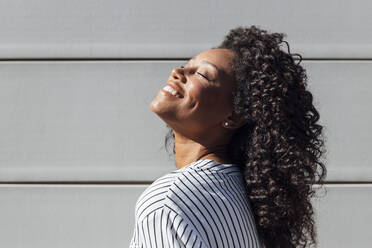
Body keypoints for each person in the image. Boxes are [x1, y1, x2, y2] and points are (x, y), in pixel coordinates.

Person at [129, 25, 327, 248]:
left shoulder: (168, 202)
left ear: (234, 116)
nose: (178, 71)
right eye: (187, 65)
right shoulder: (246, 203)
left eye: (202, 74)